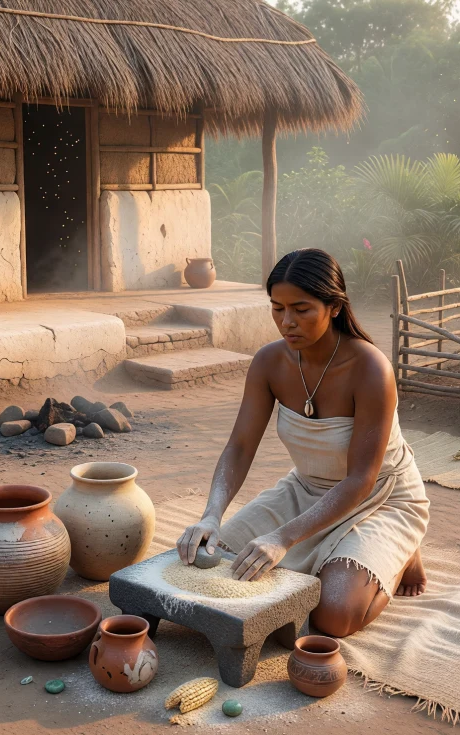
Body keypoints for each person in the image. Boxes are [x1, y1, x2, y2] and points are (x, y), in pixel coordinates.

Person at [176, 248, 430, 637]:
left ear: (333, 306)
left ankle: (400, 557)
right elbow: (240, 448)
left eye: (301, 309)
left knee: (332, 614)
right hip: (306, 491)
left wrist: (282, 538)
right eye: (277, 308)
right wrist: (211, 514)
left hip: (380, 497)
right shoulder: (269, 363)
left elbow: (361, 479)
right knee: (210, 565)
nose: (286, 322)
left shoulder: (371, 368)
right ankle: (351, 555)